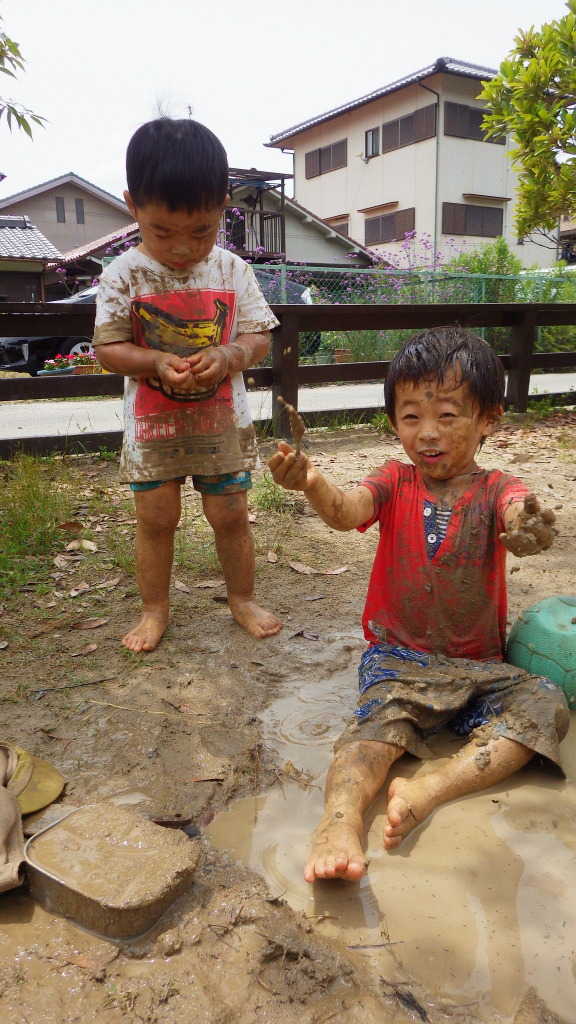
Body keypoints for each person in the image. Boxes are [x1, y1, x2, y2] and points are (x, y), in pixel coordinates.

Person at [269, 327, 569, 882]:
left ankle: (432, 786)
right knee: (371, 735)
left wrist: (523, 523)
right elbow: (346, 509)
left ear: (489, 419)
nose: (427, 433)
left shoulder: (498, 487)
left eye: (448, 416)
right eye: (410, 417)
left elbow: (515, 511)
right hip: (397, 661)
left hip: (479, 666)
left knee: (547, 703)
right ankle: (338, 821)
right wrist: (311, 480)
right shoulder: (393, 480)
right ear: (393, 422)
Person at [93, 118, 282, 651]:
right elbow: (108, 349)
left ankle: (242, 599)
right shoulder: (122, 275)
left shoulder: (232, 270)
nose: (182, 249)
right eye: (162, 231)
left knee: (231, 513)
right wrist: (154, 361)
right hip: (153, 427)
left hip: (222, 423)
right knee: (156, 518)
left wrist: (228, 355)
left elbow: (258, 336)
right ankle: (155, 610)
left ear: (223, 206)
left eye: (200, 231)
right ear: (132, 206)